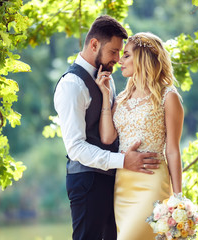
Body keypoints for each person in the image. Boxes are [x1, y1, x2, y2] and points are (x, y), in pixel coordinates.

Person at [54, 16, 160, 240]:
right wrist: (123, 161)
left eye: (120, 53)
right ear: (94, 45)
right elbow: (75, 148)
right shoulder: (71, 85)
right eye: (113, 52)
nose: (117, 59)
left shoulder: (107, 79)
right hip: (87, 182)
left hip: (116, 180)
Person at [95, 32, 184, 240]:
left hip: (152, 182)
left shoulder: (168, 97)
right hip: (123, 185)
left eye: (126, 55)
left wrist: (178, 199)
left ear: (142, 58)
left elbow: (172, 150)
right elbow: (107, 138)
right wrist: (105, 96)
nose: (119, 60)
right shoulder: (121, 98)